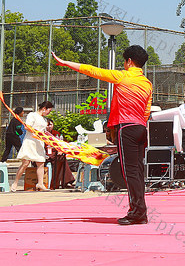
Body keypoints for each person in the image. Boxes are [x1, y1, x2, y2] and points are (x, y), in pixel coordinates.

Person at [53, 46, 152, 226]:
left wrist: (65, 62)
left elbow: (92, 71)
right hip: (140, 129)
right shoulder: (147, 83)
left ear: (129, 61)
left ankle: (137, 212)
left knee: (129, 172)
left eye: (124, 61)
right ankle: (140, 211)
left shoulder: (123, 76)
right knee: (137, 171)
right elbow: (146, 111)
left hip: (127, 128)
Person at [11, 101, 53, 192]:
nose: (49, 113)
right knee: (25, 163)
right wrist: (35, 131)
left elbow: (44, 131)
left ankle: (40, 183)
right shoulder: (32, 115)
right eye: (49, 110)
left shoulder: (44, 119)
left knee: (41, 163)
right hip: (30, 141)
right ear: (44, 108)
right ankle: (15, 183)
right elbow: (27, 127)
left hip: (39, 142)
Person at [45, 118, 76, 189]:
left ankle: (63, 182)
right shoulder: (42, 134)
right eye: (47, 125)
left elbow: (61, 144)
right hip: (46, 153)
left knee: (62, 158)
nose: (49, 127)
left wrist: (60, 150)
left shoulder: (56, 133)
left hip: (55, 152)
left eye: (51, 125)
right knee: (59, 159)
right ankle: (65, 181)